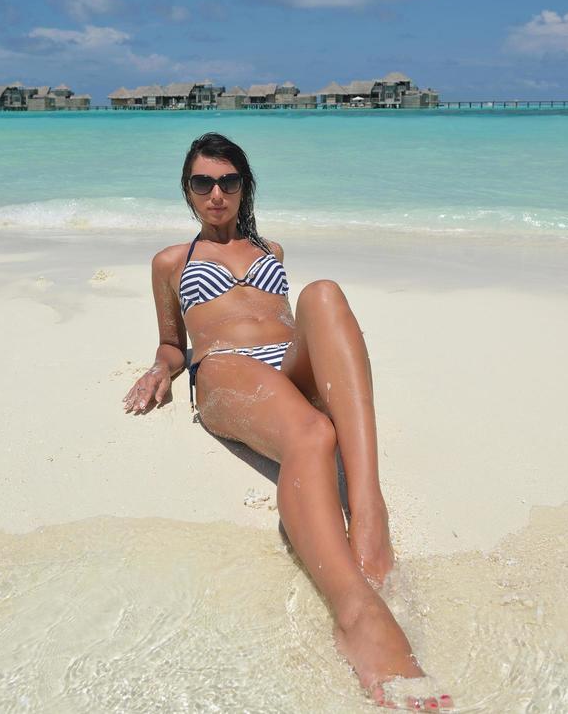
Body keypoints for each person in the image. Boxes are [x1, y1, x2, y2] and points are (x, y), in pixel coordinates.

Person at [123, 133, 452, 711]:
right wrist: (159, 370)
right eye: (203, 182)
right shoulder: (173, 262)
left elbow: (292, 322)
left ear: (244, 186)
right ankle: (356, 613)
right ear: (188, 190)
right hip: (226, 371)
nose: (216, 193)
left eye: (228, 181)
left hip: (287, 365)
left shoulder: (271, 250)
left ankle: (369, 510)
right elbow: (174, 343)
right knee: (313, 435)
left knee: (322, 293)